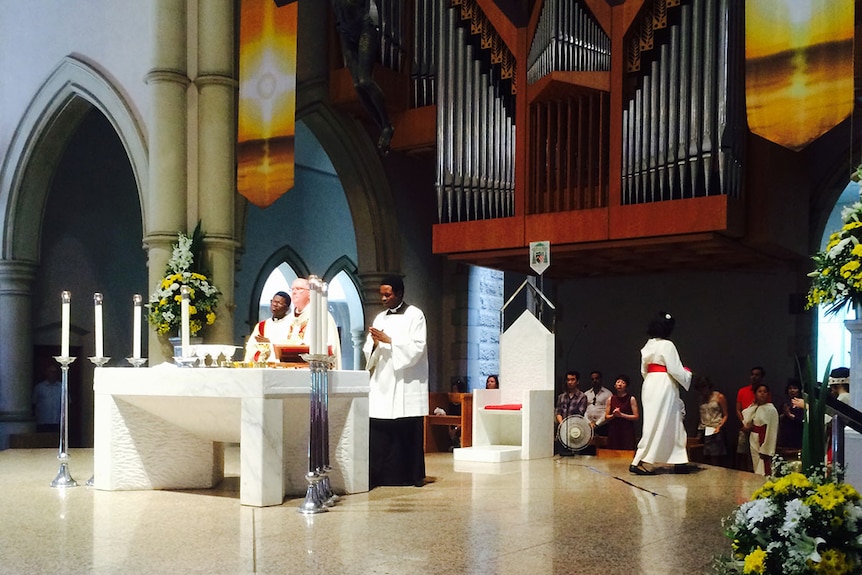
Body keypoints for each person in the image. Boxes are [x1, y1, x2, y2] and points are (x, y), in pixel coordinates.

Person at [363, 275, 429, 487]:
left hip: (405, 380)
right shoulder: (380, 318)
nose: (383, 299)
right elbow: (368, 349)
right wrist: (373, 344)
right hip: (383, 380)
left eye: (387, 294)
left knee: (405, 427)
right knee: (380, 429)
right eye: (381, 294)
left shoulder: (415, 315)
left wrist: (390, 340)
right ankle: (379, 475)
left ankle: (410, 476)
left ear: (399, 293)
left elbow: (418, 347)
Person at [630, 312, 692, 475]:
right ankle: (641, 460)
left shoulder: (648, 345)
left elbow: (644, 370)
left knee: (660, 420)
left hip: (650, 383)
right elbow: (675, 369)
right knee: (666, 420)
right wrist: (687, 374)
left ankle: (678, 459)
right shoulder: (667, 345)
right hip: (665, 383)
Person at [330, 0, 394, 153]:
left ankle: (386, 125)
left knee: (365, 80)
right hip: (346, 34)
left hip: (365, 28)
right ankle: (383, 128)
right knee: (357, 85)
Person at [284, 278, 343, 369]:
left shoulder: (321, 316)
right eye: (292, 289)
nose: (294, 292)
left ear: (310, 293)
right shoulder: (288, 320)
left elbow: (330, 348)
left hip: (314, 371)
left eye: (299, 289)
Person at [734, 366, 768, 471]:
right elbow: (738, 409)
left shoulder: (764, 392)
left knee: (756, 454)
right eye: (752, 374)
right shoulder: (742, 391)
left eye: (757, 375)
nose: (754, 377)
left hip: (757, 428)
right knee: (742, 453)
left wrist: (752, 425)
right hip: (744, 427)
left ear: (762, 377)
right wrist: (744, 424)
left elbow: (764, 410)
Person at [741, 382, 779, 476]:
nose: (762, 393)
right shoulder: (756, 407)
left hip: (763, 439)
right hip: (754, 438)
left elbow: (772, 430)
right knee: (755, 464)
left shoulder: (771, 409)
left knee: (763, 466)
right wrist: (754, 405)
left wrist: (766, 448)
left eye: (765, 392)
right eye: (759, 391)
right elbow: (747, 419)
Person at [243, 291, 292, 362]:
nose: (275, 304)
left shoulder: (292, 324)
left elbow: (292, 345)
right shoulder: (262, 325)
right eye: (273, 301)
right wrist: (260, 356)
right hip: (263, 364)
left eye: (279, 303)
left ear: (287, 308)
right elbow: (251, 347)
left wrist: (270, 343)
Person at [694, 375, 728, 467]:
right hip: (703, 429)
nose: (702, 391)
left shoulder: (719, 397)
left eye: (703, 388)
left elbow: (725, 415)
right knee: (702, 456)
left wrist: (719, 427)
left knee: (714, 457)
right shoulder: (701, 398)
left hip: (715, 429)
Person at [555, 371, 587, 455]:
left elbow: (580, 414)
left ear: (577, 381)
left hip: (575, 429)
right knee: (561, 455)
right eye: (568, 380)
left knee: (575, 456)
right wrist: (562, 424)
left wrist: (569, 425)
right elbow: (558, 412)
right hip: (562, 430)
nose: (570, 382)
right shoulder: (561, 397)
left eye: (573, 380)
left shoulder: (582, 397)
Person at [605, 374, 638, 450]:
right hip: (614, 430)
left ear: (626, 386)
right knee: (613, 451)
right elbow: (606, 417)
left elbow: (636, 416)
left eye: (623, 383)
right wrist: (614, 415)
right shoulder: (611, 399)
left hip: (627, 430)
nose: (619, 384)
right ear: (615, 385)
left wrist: (621, 415)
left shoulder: (631, 399)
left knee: (627, 451)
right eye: (618, 382)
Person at [32, 364, 62, 433]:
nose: (53, 374)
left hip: (58, 421)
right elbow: (34, 403)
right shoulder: (39, 387)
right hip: (43, 421)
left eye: (55, 372)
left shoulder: (62, 387)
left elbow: (68, 403)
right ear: (46, 373)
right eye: (51, 372)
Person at [777, 379, 804, 451]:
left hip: (798, 436)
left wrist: (790, 415)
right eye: (790, 388)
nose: (792, 390)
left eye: (795, 388)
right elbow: (778, 418)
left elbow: (803, 421)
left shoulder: (803, 404)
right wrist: (784, 414)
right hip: (785, 436)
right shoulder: (785, 404)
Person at [584, 370, 613, 436]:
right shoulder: (586, 394)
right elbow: (584, 410)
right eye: (592, 379)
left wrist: (597, 423)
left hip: (603, 425)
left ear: (601, 379)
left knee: (603, 445)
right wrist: (589, 423)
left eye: (597, 378)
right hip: (588, 425)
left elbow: (608, 411)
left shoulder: (608, 394)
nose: (595, 380)